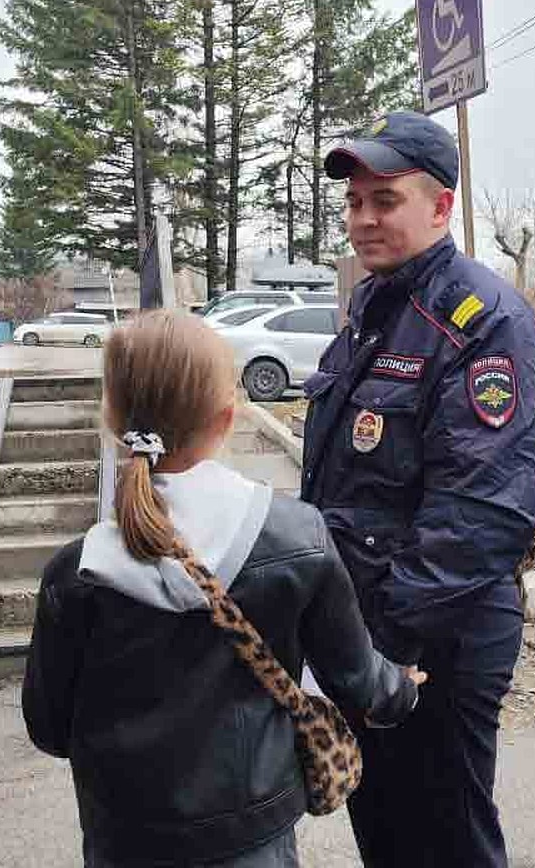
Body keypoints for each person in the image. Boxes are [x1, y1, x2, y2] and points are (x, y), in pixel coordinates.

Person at [22, 310, 424, 868]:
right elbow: (356, 676)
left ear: (112, 418)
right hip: (252, 833)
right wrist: (400, 688)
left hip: (124, 836)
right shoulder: (298, 536)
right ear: (227, 417)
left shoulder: (76, 575)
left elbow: (48, 725)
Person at [301, 111, 535, 868]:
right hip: (373, 628)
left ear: (441, 207)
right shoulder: (376, 310)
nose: (364, 218)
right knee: (387, 831)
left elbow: (480, 510)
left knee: (448, 838)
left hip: (437, 639)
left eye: (385, 200)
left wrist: (390, 648)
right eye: (354, 203)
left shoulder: (481, 320)